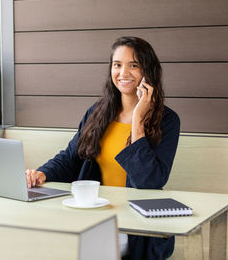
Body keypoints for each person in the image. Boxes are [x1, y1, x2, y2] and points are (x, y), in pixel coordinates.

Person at [25, 36, 180, 260]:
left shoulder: (167, 120)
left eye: (133, 65)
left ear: (149, 72)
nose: (123, 73)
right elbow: (71, 157)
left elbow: (150, 181)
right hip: (94, 216)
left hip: (136, 228)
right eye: (117, 65)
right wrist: (42, 173)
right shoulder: (98, 112)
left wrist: (137, 120)